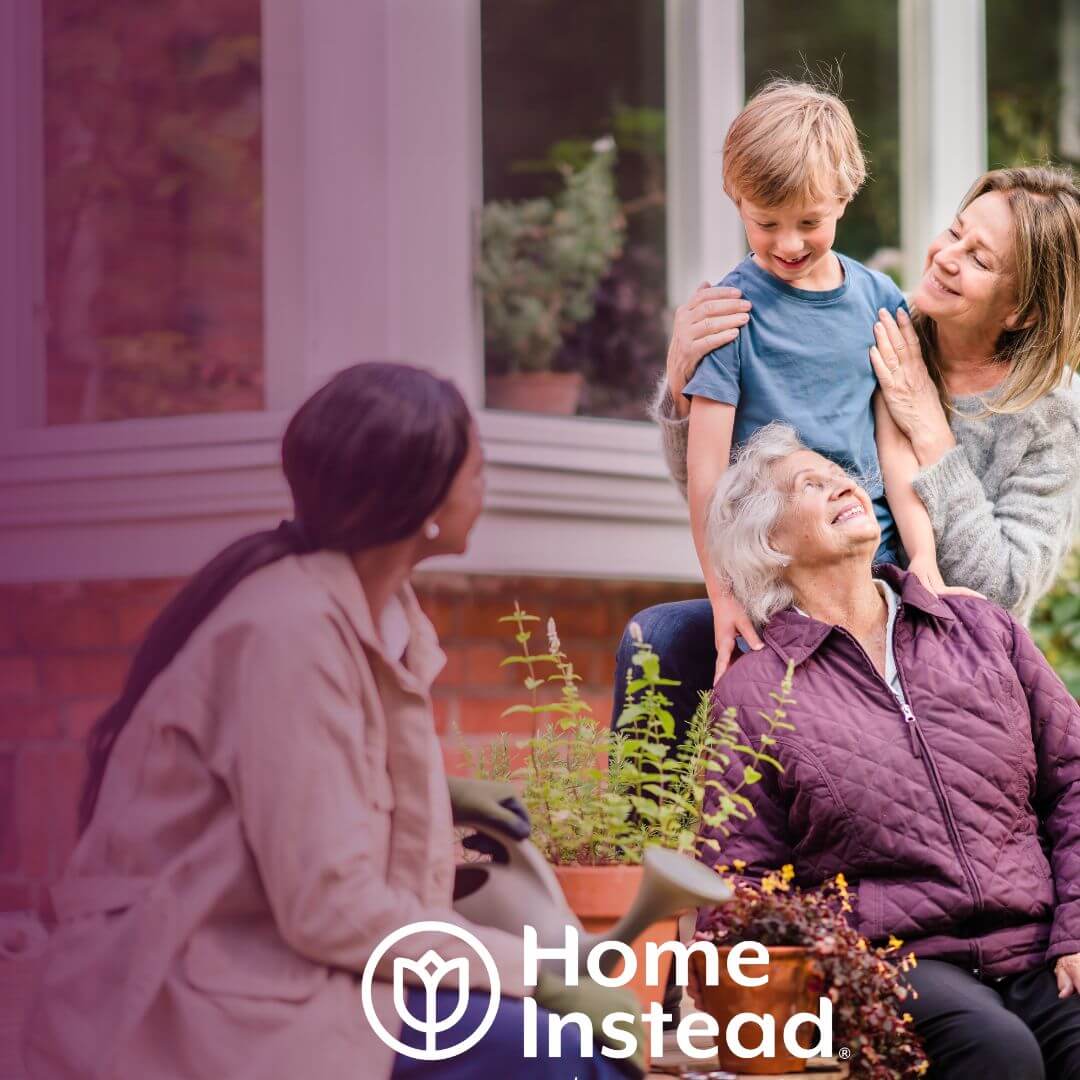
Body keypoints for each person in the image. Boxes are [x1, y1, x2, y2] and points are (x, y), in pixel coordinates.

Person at [23, 364, 643, 1080]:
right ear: (420, 495)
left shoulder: (377, 617)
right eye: (475, 469)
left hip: (279, 965)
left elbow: (306, 798)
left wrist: (434, 798)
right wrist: (536, 978)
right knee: (558, 1055)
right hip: (203, 989)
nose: (485, 485)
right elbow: (330, 909)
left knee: (559, 1046)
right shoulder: (288, 634)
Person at [618, 164, 1080, 745]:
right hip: (805, 594)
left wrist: (932, 435)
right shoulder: (876, 323)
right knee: (659, 639)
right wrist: (686, 384)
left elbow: (1000, 593)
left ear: (1023, 311)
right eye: (955, 231)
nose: (945, 257)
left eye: (980, 260)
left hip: (939, 645)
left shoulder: (1052, 416)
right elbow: (726, 488)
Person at [693, 423, 1080, 1079]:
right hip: (889, 964)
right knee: (997, 1051)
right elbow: (737, 880)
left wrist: (1076, 929)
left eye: (840, 474)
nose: (843, 485)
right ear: (771, 544)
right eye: (808, 485)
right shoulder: (754, 695)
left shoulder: (982, 631)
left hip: (1038, 944)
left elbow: (1073, 780)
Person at [675, 79, 944, 688]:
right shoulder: (728, 315)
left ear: (844, 196)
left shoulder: (879, 300)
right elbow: (706, 473)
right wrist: (722, 594)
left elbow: (893, 446)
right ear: (736, 200)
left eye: (809, 221)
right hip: (778, 572)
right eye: (765, 222)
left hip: (873, 561)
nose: (789, 243)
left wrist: (923, 555)